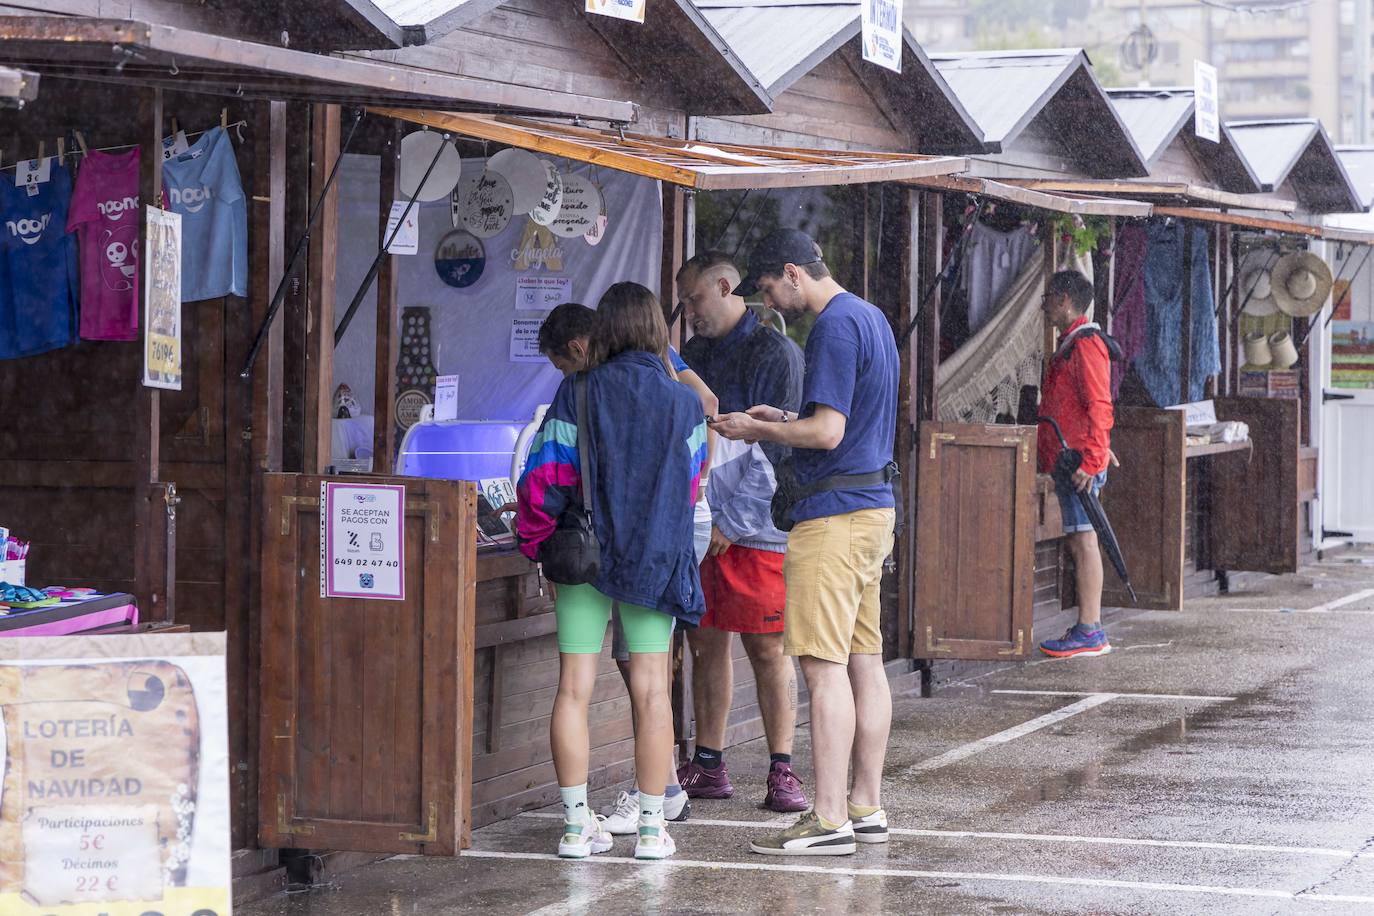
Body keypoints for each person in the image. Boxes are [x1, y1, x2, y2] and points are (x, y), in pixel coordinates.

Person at [710, 229, 898, 857]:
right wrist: (781, 418)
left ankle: (826, 819)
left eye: (768, 288)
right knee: (864, 661)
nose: (769, 303)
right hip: (873, 508)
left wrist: (755, 430)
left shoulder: (833, 327)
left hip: (833, 516)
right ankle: (865, 807)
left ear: (793, 272)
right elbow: (844, 424)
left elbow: (827, 433)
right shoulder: (872, 318)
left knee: (821, 669)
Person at [518, 284, 709, 861]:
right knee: (653, 694)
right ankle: (652, 831)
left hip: (584, 558)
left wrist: (535, 545)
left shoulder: (576, 392)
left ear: (604, 330)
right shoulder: (685, 403)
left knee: (573, 690)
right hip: (653, 559)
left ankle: (578, 829)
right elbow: (694, 483)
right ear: (655, 330)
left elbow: (543, 479)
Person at [674, 250, 808, 813]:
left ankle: (782, 770)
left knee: (769, 648)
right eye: (682, 303)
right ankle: (709, 762)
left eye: (694, 299)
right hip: (700, 519)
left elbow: (781, 447)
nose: (687, 312)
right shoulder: (689, 354)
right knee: (705, 646)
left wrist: (734, 521)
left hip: (758, 527)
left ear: (726, 287)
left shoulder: (778, 353)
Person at [1036, 270, 1115, 659]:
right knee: (1080, 539)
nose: (1045, 304)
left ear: (1065, 299)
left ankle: (1090, 629)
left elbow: (1101, 404)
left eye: (1049, 297)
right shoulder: (1073, 343)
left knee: (1085, 541)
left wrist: (1095, 456)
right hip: (1072, 458)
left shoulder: (1086, 344)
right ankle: (1088, 627)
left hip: (1080, 461)